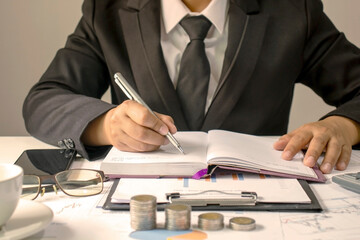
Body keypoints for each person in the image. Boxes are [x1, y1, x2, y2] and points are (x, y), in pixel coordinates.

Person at [23, 0, 360, 174]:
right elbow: (43, 101)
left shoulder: (291, 11)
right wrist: (107, 125)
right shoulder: (109, 10)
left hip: (260, 206)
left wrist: (341, 126)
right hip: (140, 207)